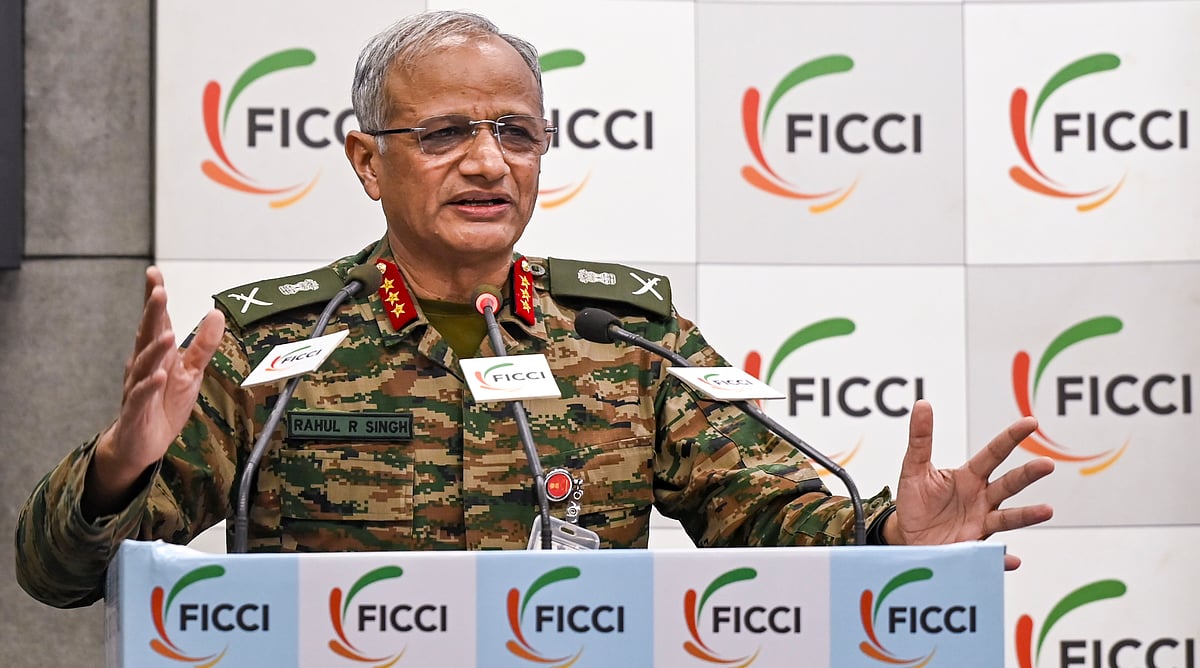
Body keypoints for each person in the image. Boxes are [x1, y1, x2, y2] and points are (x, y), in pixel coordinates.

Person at [14, 10, 1053, 610]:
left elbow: (775, 515)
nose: (488, 161)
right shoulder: (272, 348)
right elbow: (56, 574)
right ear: (367, 161)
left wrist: (890, 533)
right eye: (446, 133)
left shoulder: (628, 338)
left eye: (517, 131)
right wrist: (118, 465)